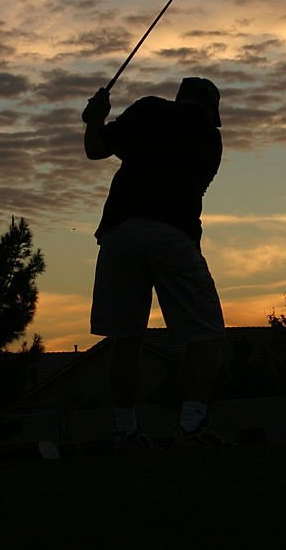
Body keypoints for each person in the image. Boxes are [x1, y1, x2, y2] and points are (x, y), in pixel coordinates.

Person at [82, 77, 232, 448]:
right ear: (211, 109)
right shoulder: (211, 140)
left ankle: (125, 428)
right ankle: (192, 424)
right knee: (206, 334)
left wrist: (95, 119)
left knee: (126, 335)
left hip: (120, 232)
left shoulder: (148, 109)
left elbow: (95, 149)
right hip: (173, 234)